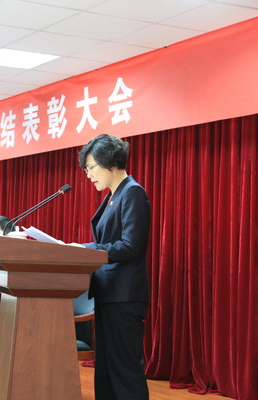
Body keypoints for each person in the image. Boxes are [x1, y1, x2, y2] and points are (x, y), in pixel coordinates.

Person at [75, 134, 151, 400]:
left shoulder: (132, 192)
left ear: (111, 162)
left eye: (91, 167)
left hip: (124, 296)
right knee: (107, 368)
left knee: (124, 369)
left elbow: (131, 245)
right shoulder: (113, 196)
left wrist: (85, 249)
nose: (88, 175)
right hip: (109, 294)